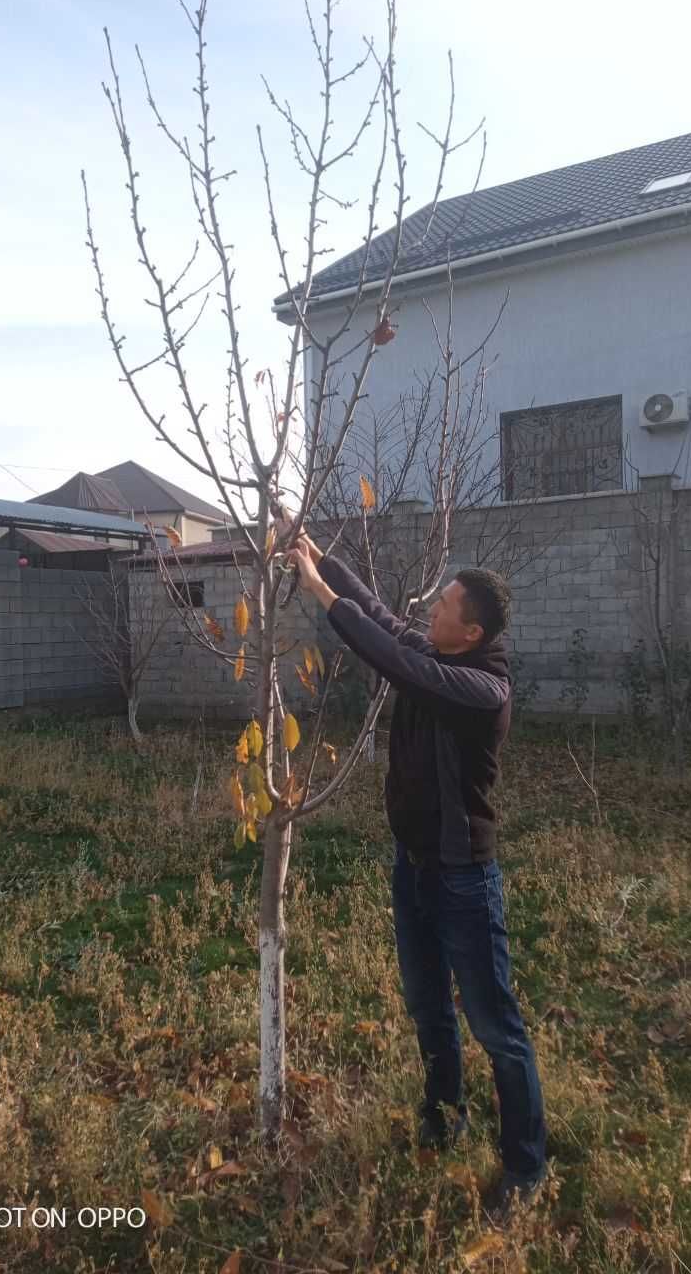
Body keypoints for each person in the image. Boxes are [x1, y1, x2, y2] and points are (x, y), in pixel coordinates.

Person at [280, 521, 548, 1225]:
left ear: (472, 633)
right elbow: (378, 614)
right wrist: (317, 552)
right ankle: (444, 1120)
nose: (429, 614)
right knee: (428, 1007)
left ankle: (525, 1167)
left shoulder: (478, 690)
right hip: (415, 867)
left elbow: (397, 661)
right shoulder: (438, 650)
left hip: (464, 878)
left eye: (443, 611)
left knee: (495, 1026)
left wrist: (316, 594)